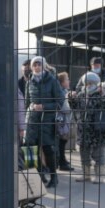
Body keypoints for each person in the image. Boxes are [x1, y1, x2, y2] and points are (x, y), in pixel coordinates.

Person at [68, 72, 105, 184]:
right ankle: (86, 175)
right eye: (87, 83)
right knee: (84, 153)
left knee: (99, 154)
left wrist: (104, 96)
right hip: (83, 130)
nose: (89, 85)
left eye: (92, 83)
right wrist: (71, 98)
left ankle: (99, 176)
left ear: (97, 83)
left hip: (98, 130)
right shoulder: (81, 95)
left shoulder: (102, 94)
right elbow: (74, 107)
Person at [24, 56, 64, 188]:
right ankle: (37, 177)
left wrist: (44, 107)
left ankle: (54, 177)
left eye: (39, 64)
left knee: (47, 148)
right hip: (32, 119)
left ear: (44, 66)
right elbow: (27, 102)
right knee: (30, 148)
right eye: (34, 65)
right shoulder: (29, 81)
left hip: (47, 119)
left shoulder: (52, 80)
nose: (36, 67)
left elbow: (60, 102)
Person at [56, 72, 74, 171]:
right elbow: (65, 108)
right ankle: (62, 162)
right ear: (61, 82)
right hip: (61, 122)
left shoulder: (65, 91)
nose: (69, 81)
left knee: (63, 141)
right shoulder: (62, 93)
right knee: (61, 142)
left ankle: (63, 160)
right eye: (67, 79)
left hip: (64, 121)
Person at [17, 59, 32, 143]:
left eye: (28, 70)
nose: (26, 72)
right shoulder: (17, 84)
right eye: (24, 70)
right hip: (22, 116)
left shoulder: (37, 84)